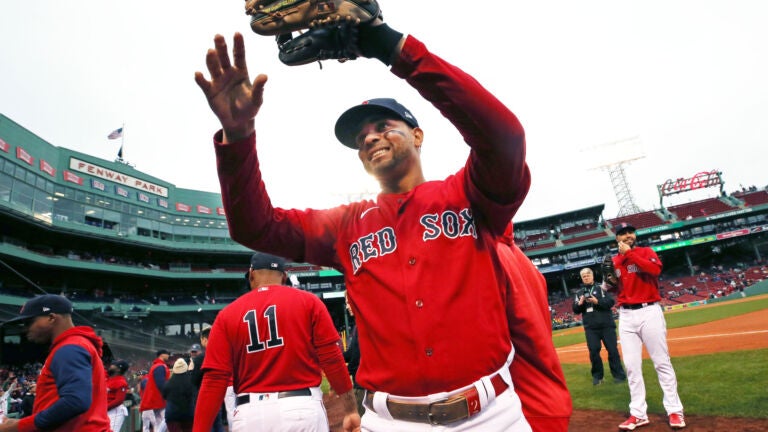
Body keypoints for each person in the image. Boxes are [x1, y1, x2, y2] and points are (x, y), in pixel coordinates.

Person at [194, 7, 534, 430]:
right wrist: (239, 135)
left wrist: (391, 46)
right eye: (360, 138)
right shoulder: (345, 224)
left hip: (491, 416)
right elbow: (253, 225)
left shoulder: (470, 193)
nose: (370, 136)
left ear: (417, 134)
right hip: (390, 421)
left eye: (382, 125)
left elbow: (504, 136)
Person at [193, 253, 358, 432]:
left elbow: (214, 380)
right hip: (301, 408)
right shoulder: (309, 301)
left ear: (251, 274)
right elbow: (332, 359)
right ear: (284, 277)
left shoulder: (227, 314)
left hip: (249, 415)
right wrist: (350, 410)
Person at [604, 222, 686, 430]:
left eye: (630, 232)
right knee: (632, 367)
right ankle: (638, 414)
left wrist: (630, 254)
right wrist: (608, 283)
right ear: (617, 239)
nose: (628, 235)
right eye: (623, 233)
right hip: (626, 315)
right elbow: (616, 288)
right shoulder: (614, 260)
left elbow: (654, 270)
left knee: (661, 362)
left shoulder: (646, 252)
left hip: (649, 311)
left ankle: (675, 410)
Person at [0, 294, 110, 431]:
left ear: (51, 318)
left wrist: (19, 426)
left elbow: (75, 401)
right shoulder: (73, 345)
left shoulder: (70, 348)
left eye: (29, 322)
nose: (25, 329)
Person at [572, 267, 626, 386]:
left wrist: (597, 302)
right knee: (594, 352)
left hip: (607, 326)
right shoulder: (579, 293)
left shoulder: (601, 288)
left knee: (612, 351)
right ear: (582, 278)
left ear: (592, 276)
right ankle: (597, 377)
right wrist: (580, 304)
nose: (586, 277)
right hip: (591, 328)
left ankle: (619, 375)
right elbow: (575, 310)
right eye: (584, 276)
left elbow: (610, 303)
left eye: (588, 275)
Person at [189, 325, 225, 432]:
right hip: (219, 398)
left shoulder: (200, 359)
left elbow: (193, 381)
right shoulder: (223, 354)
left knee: (208, 427)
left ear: (204, 340)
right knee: (218, 426)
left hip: (204, 398)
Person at [342, 293, 364, 416]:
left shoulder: (362, 324)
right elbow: (351, 353)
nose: (347, 307)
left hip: (362, 387)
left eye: (349, 303)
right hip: (362, 385)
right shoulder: (358, 324)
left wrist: (343, 372)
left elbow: (356, 357)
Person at [140, 349, 170, 432]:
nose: (168, 356)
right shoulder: (159, 366)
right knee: (167, 419)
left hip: (155, 399)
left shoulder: (157, 365)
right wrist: (167, 396)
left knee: (159, 422)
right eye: (167, 354)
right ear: (162, 355)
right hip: (159, 399)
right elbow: (160, 384)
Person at [163, 359, 196, 432]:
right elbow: (194, 395)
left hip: (172, 415)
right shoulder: (191, 381)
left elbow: (164, 395)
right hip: (188, 415)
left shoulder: (169, 383)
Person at [106, 360, 131, 432]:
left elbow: (119, 400)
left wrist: (105, 407)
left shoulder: (121, 382)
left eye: (113, 365)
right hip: (107, 410)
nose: (110, 366)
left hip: (115, 411)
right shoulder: (109, 379)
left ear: (118, 369)